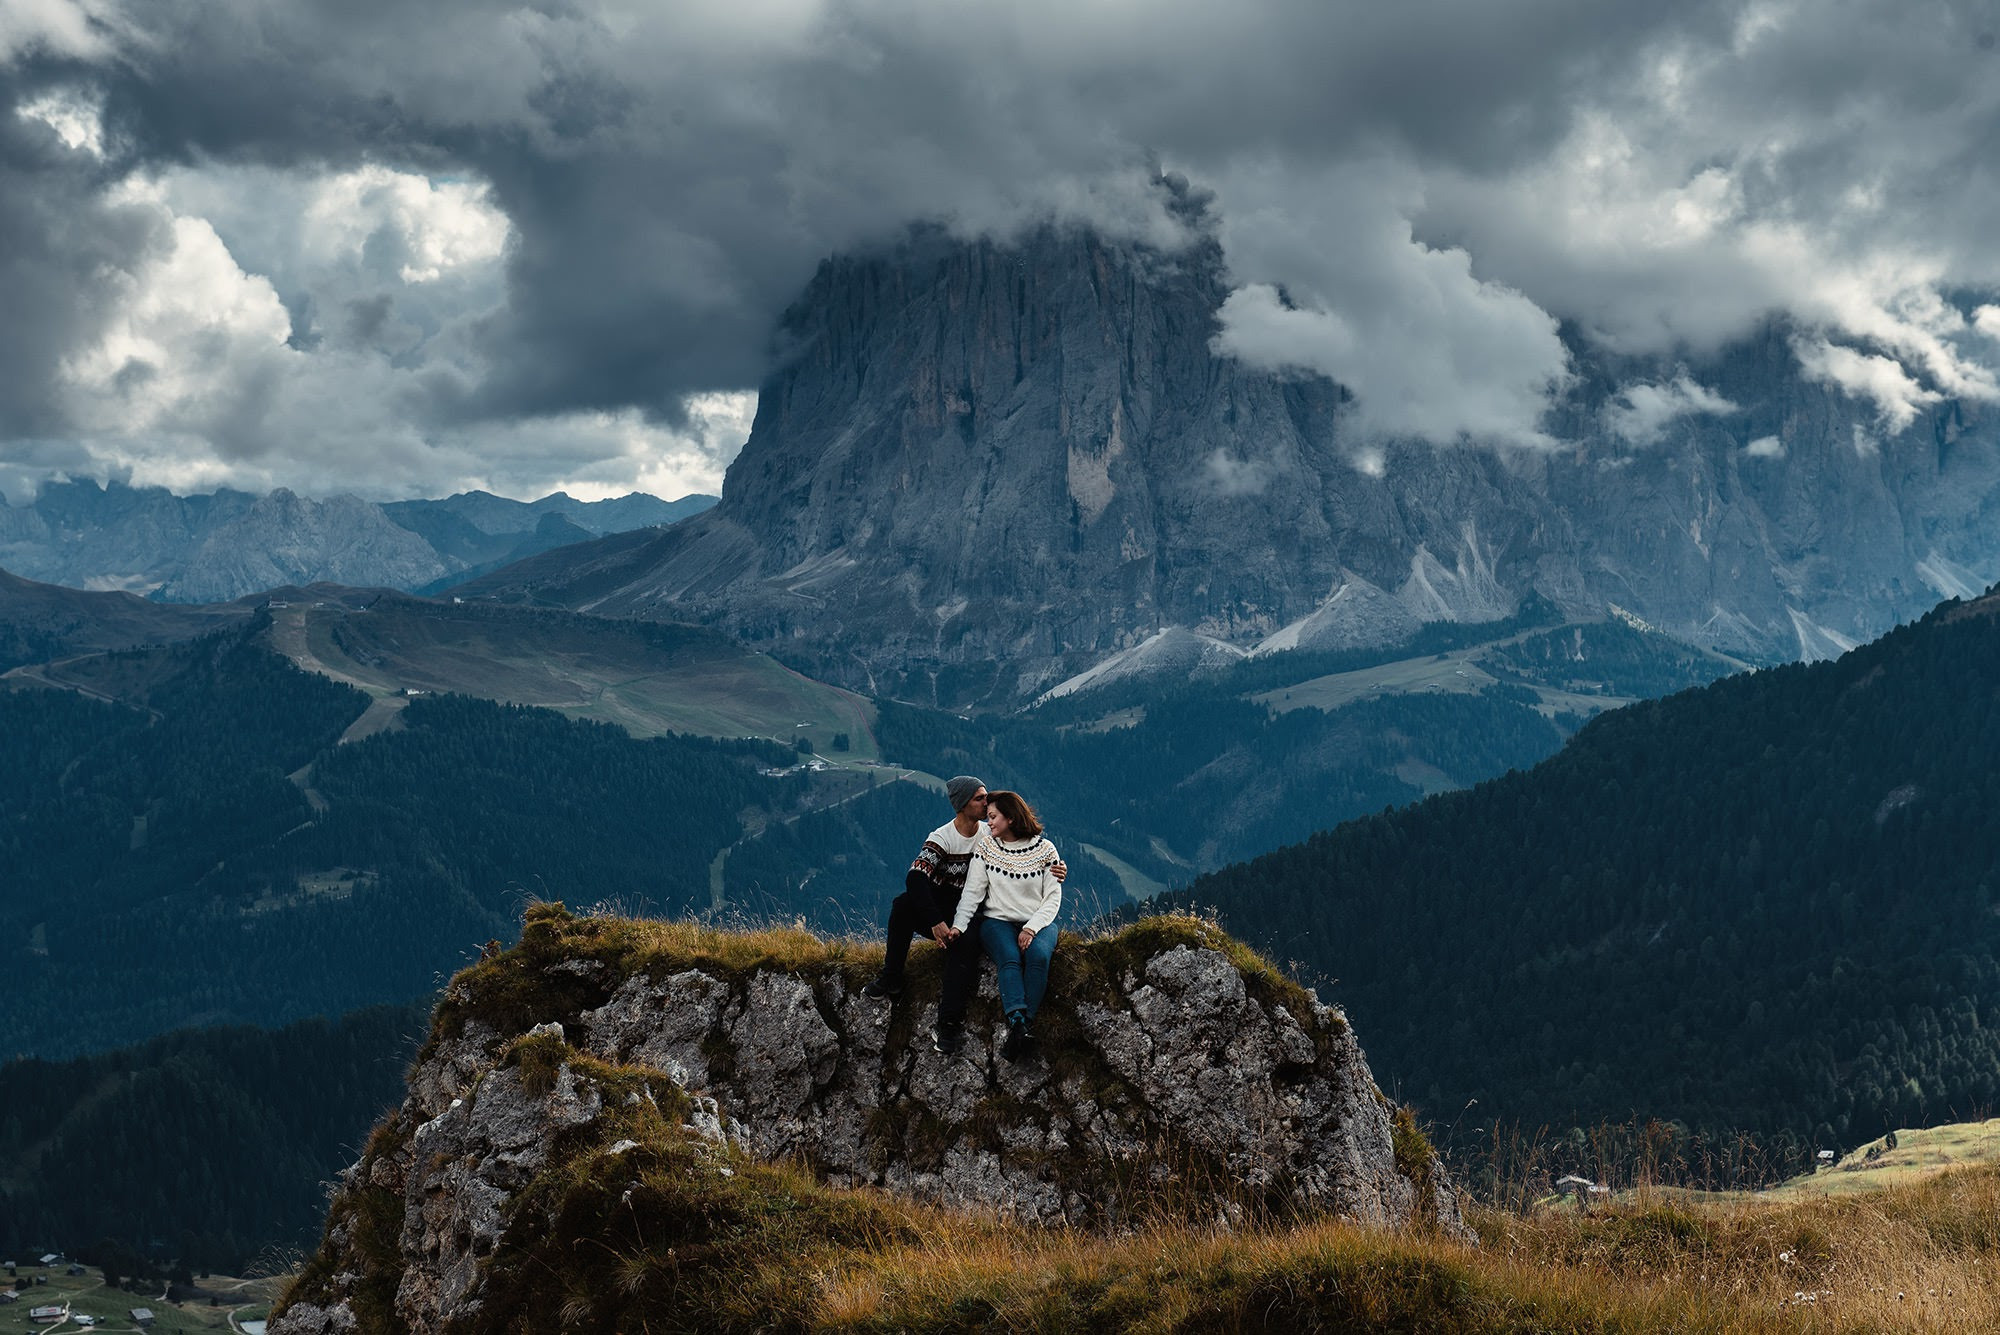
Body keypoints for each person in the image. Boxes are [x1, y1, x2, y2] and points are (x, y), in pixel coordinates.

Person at [860, 776, 1064, 1055]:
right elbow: (917, 878)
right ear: (962, 804)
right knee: (903, 905)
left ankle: (951, 1025)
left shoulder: (991, 834)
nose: (986, 802)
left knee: (966, 947)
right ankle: (891, 977)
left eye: (987, 800)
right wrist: (938, 923)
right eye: (980, 798)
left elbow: (1037, 869)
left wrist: (1057, 869)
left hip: (980, 910)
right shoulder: (944, 838)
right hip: (951, 906)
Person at [950, 789, 1062, 1061]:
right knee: (1009, 958)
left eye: (993, 817)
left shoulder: (1045, 850)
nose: (989, 823)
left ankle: (1022, 1026)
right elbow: (973, 893)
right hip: (997, 921)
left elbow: (1052, 897)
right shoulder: (987, 848)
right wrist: (958, 926)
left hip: (1039, 921)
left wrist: (1031, 928)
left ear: (1011, 818)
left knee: (1038, 957)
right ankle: (1018, 1023)